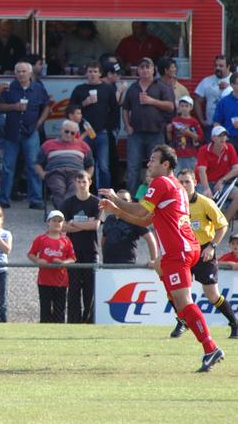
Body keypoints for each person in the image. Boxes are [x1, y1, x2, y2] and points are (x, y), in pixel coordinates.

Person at [99, 144, 224, 372]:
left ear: (166, 164)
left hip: (179, 249)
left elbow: (139, 212)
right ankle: (188, 322)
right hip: (185, 248)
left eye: (154, 160)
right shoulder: (174, 185)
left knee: (184, 300)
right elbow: (147, 220)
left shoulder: (161, 183)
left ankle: (210, 347)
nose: (149, 163)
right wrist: (117, 212)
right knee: (163, 271)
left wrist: (115, 199)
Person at [169, 169, 238, 338]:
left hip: (203, 251)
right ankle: (182, 322)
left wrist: (212, 246)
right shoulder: (175, 203)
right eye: (181, 182)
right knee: (176, 293)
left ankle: (235, 323)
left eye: (188, 181)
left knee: (212, 294)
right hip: (183, 252)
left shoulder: (205, 202)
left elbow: (222, 226)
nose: (184, 185)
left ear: (195, 183)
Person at [0, 60, 50, 209]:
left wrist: (39, 123)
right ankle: (4, 199)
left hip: (31, 132)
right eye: (18, 71)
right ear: (15, 74)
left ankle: (36, 200)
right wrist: (14, 106)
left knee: (33, 166)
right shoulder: (9, 88)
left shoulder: (38, 88)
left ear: (30, 73)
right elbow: (0, 107)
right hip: (12, 133)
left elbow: (47, 106)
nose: (21, 74)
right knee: (8, 167)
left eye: (24, 71)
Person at [122, 57, 175, 195]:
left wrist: (152, 101)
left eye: (148, 67)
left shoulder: (162, 86)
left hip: (156, 133)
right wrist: (127, 125)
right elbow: (125, 108)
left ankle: (157, 196)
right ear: (138, 71)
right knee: (133, 167)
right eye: (142, 67)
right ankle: (131, 199)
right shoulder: (133, 88)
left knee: (156, 167)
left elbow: (170, 106)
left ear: (153, 70)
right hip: (135, 134)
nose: (145, 70)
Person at [69, 61, 118, 189]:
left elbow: (114, 109)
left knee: (103, 166)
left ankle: (105, 195)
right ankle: (84, 192)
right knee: (84, 165)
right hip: (83, 134)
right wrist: (84, 103)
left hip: (102, 133)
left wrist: (110, 128)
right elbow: (70, 110)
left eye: (95, 71)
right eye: (90, 71)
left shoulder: (107, 89)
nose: (92, 74)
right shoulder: (79, 89)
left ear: (100, 73)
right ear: (86, 73)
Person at [61, 171, 100, 324]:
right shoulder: (68, 203)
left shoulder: (96, 202)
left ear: (90, 182)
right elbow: (63, 227)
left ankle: (88, 321)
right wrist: (84, 225)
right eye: (79, 182)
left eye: (84, 181)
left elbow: (95, 225)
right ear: (75, 183)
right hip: (73, 252)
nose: (82, 185)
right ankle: (73, 322)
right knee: (74, 289)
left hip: (91, 251)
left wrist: (74, 223)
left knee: (90, 290)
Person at [28, 210, 76, 323]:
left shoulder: (66, 240)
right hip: (44, 280)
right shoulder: (41, 239)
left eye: (60, 221)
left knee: (59, 311)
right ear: (48, 222)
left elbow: (73, 258)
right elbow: (31, 254)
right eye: (54, 220)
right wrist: (38, 260)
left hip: (61, 281)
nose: (57, 223)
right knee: (45, 311)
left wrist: (63, 263)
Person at [34, 120, 94, 210]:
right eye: (66, 131)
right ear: (61, 130)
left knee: (74, 190)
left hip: (76, 173)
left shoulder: (83, 145)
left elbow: (90, 165)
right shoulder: (48, 144)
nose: (69, 134)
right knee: (59, 191)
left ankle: (63, 213)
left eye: (72, 133)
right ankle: (66, 215)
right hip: (55, 172)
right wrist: (43, 175)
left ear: (76, 134)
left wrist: (87, 177)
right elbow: (37, 163)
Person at [101, 189, 157, 265]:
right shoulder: (109, 219)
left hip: (128, 265)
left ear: (130, 202)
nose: (121, 202)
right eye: (118, 199)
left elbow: (150, 239)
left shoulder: (134, 218)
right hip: (108, 264)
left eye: (125, 200)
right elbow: (103, 239)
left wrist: (154, 261)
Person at [195, 126, 238, 223]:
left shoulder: (229, 148)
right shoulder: (204, 150)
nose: (223, 138)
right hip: (204, 182)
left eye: (224, 135)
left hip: (222, 183)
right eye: (220, 136)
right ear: (213, 138)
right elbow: (202, 171)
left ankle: (223, 223)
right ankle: (204, 225)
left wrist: (222, 180)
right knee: (204, 198)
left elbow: (236, 168)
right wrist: (206, 188)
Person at [194, 55, 232, 129]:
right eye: (216, 65)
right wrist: (201, 121)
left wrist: (230, 88)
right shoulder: (206, 81)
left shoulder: (235, 80)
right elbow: (197, 102)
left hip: (230, 126)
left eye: (221, 66)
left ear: (228, 67)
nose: (217, 68)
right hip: (211, 125)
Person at [166, 95, 203, 173]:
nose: (184, 108)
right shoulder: (174, 120)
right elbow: (170, 138)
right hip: (177, 153)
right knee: (176, 175)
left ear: (191, 108)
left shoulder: (194, 122)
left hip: (190, 153)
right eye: (182, 106)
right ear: (178, 107)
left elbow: (200, 137)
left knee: (191, 175)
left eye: (186, 106)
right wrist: (168, 131)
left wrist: (189, 133)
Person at [213, 72, 238, 152]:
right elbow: (217, 122)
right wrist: (220, 137)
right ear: (232, 85)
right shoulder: (224, 102)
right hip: (229, 140)